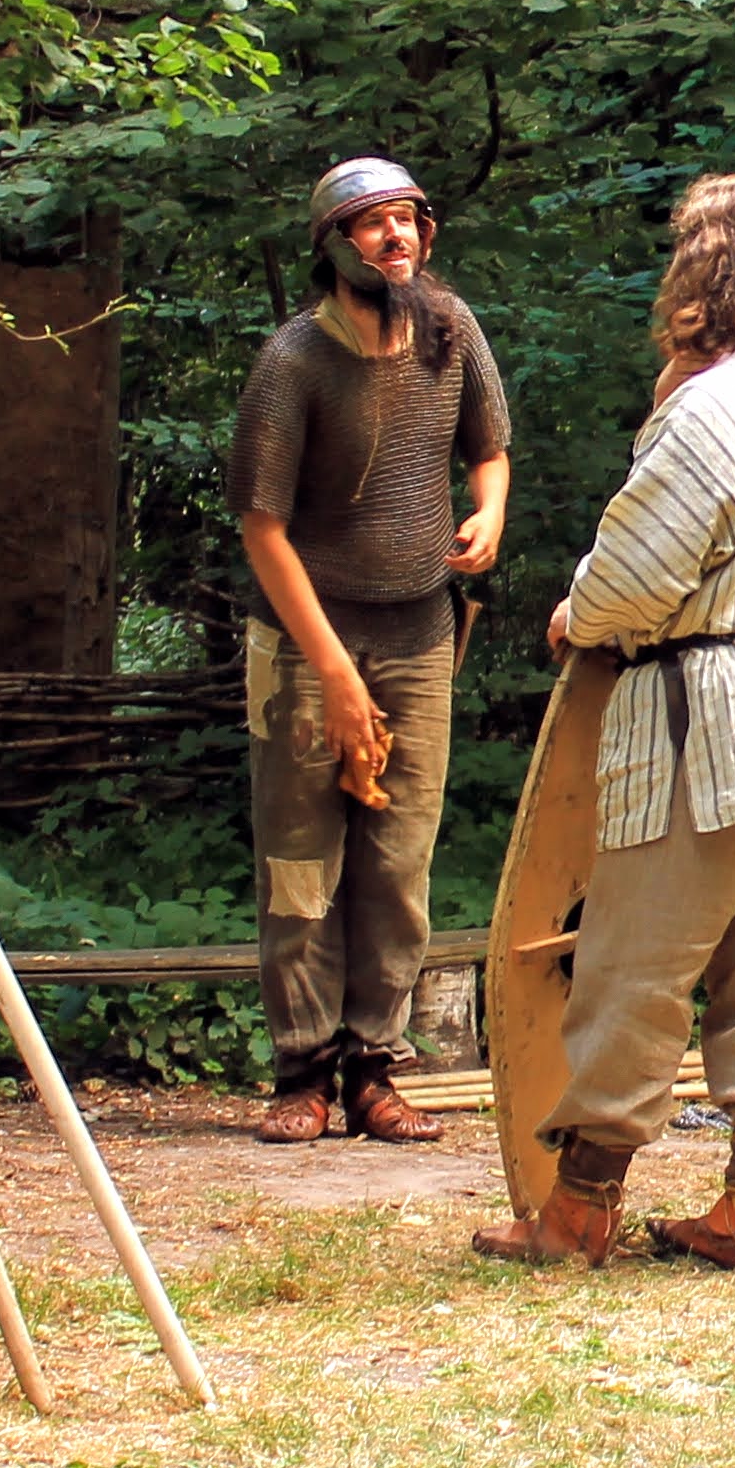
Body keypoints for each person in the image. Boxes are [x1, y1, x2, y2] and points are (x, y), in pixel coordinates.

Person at [478, 173, 735, 1270]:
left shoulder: (714, 408)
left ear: (704, 273)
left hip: (717, 716)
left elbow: (638, 577)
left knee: (632, 966)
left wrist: (574, 609)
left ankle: (579, 1211)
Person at [230, 155, 511, 1146]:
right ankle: (302, 1072)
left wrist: (490, 511)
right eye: (372, 223)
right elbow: (263, 529)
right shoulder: (293, 363)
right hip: (309, 646)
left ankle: (374, 1072)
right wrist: (339, 677)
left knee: (397, 865)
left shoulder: (450, 330)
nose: (396, 237)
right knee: (303, 867)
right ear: (335, 246)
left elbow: (490, 444)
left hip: (420, 630)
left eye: (408, 219)